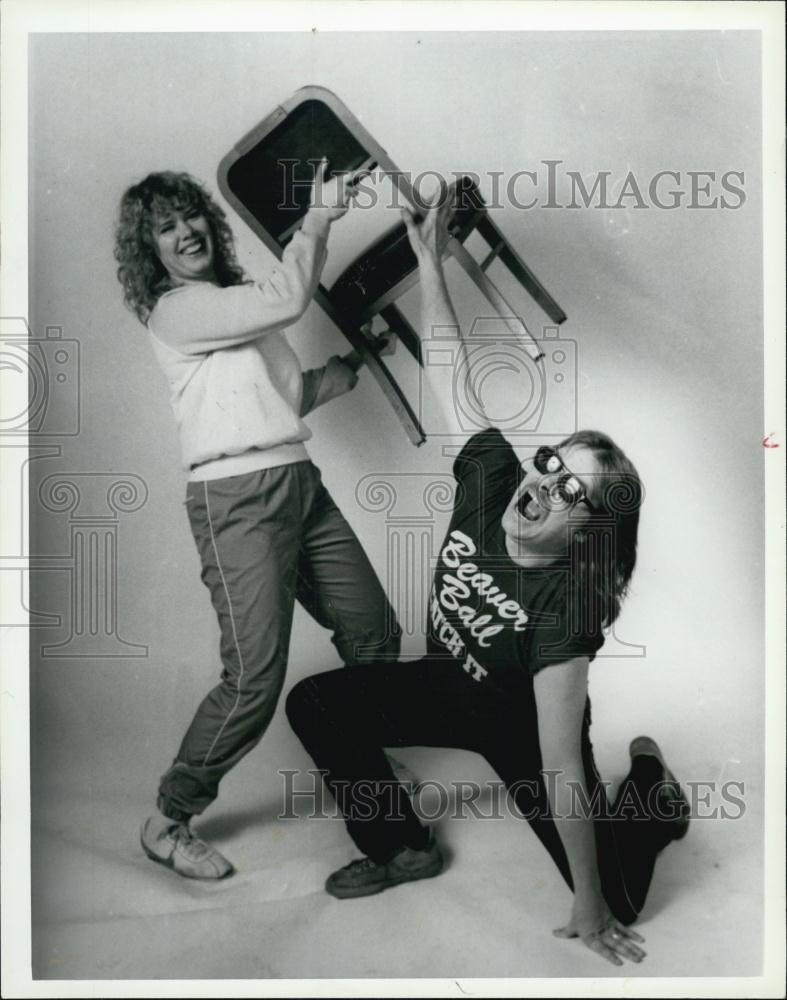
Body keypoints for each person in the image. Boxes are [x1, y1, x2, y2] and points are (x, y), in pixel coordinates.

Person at [285, 185, 690, 967]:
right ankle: (401, 845)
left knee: (624, 894)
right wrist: (430, 263)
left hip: (522, 735)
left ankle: (649, 789)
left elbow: (563, 769)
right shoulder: (493, 484)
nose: (543, 487)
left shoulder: (566, 610)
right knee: (316, 705)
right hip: (447, 687)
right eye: (551, 466)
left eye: (572, 493)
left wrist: (587, 901)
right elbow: (450, 371)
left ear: (587, 537)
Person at [115, 163, 401, 880]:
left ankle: (359, 763)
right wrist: (318, 219)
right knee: (252, 678)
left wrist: (340, 372)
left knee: (372, 631)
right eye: (166, 228)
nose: (186, 233)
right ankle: (168, 819)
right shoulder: (176, 312)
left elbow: (276, 397)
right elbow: (286, 300)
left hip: (298, 484)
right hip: (234, 501)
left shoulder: (235, 301)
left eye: (191, 218)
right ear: (149, 251)